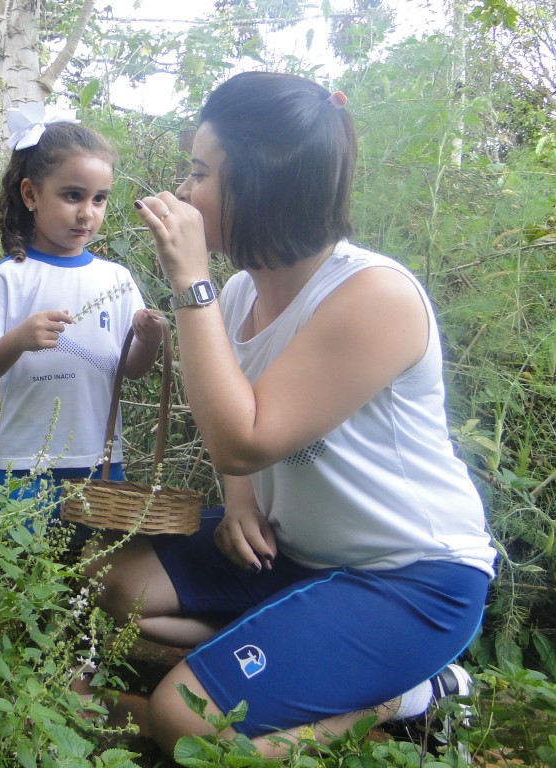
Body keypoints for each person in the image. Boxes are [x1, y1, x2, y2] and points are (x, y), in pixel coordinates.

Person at [88, 71, 496, 757]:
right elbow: (242, 425)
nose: (183, 193)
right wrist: (240, 499)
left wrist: (191, 283)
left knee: (187, 722)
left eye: (199, 173)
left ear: (260, 185)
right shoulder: (244, 291)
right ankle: (293, 645)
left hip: (411, 579)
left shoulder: (375, 298)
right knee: (116, 588)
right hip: (295, 553)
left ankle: (410, 694)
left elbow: (244, 437)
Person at [0, 102, 163, 533]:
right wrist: (18, 339)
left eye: (99, 199)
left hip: (101, 461)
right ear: (31, 194)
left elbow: (132, 369)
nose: (87, 212)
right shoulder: (11, 276)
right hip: (24, 464)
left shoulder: (116, 278)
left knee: (97, 576)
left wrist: (147, 338)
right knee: (20, 577)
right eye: (72, 195)